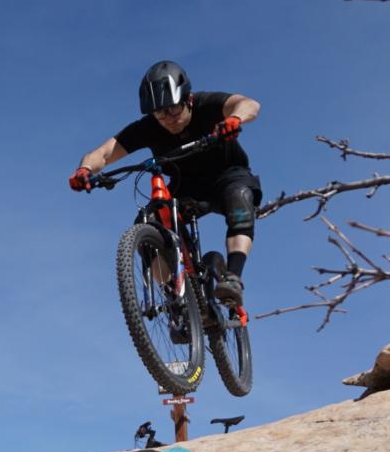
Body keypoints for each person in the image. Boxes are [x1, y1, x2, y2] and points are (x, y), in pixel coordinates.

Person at [68, 60, 261, 307]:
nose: (168, 118)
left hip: (228, 175)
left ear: (188, 100)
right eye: (160, 113)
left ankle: (233, 277)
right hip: (186, 185)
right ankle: (177, 299)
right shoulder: (149, 127)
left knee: (239, 202)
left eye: (173, 109)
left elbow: (248, 104)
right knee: (149, 224)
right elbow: (104, 153)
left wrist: (235, 119)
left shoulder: (206, 104)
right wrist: (84, 169)